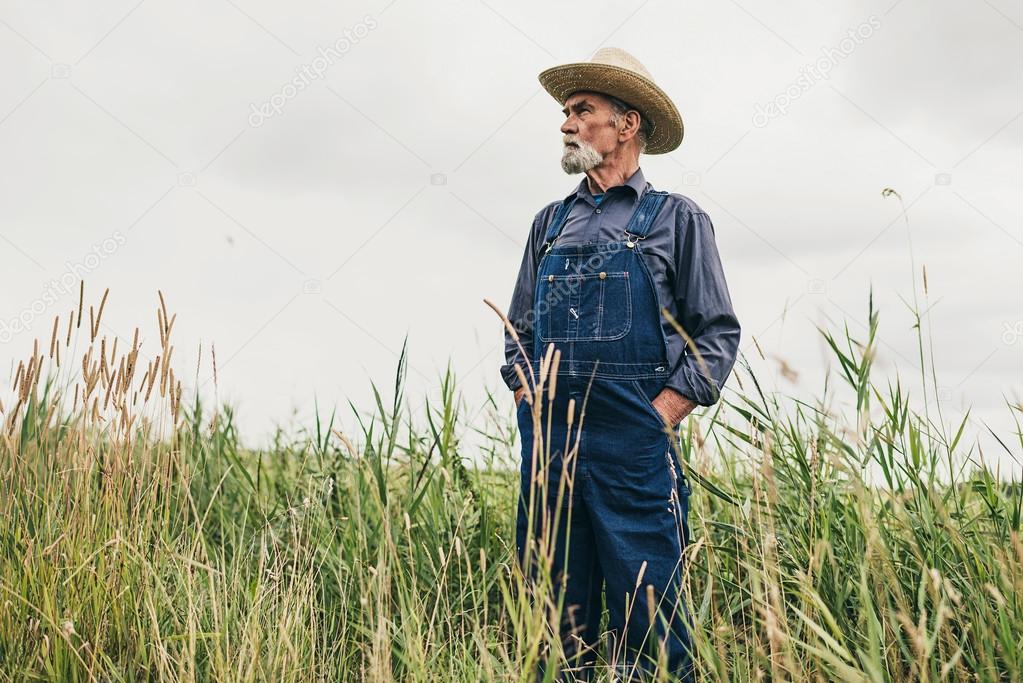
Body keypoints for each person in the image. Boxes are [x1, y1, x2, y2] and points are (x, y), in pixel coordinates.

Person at [499, 47, 741, 681]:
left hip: (633, 441)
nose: (566, 123)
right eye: (565, 111)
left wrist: (659, 415)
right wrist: (528, 397)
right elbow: (517, 331)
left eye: (582, 110)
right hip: (549, 443)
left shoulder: (677, 220)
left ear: (627, 125)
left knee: (649, 607)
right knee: (555, 614)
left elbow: (715, 336)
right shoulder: (548, 224)